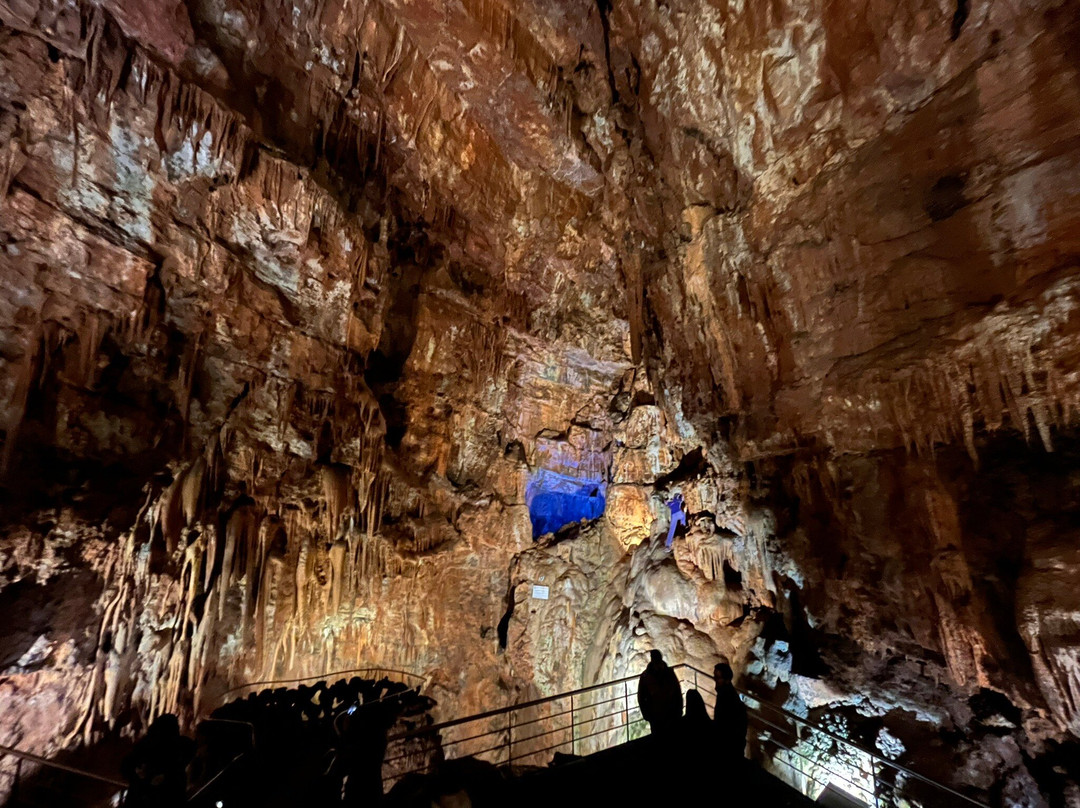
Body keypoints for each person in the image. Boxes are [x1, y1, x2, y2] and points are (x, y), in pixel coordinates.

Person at [121, 713, 195, 808]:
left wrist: (138, 774)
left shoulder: (145, 745)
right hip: (168, 798)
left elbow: (126, 767)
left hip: (142, 796)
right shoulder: (181, 747)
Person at [637, 650, 683, 736]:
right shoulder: (646, 676)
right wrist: (646, 714)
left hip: (669, 713)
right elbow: (641, 697)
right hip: (656, 715)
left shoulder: (667, 673)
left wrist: (679, 710)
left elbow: (677, 692)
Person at [712, 662, 747, 759]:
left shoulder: (728, 698)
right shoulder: (724, 692)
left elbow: (726, 724)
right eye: (714, 676)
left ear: (727, 680)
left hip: (729, 745)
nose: (714, 680)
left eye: (717, 677)